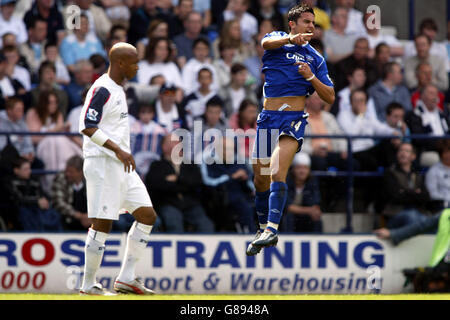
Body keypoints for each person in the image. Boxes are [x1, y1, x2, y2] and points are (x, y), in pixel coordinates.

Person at [247, 4, 334, 255]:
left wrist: (310, 78)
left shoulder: (315, 58)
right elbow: (265, 45)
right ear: (292, 24)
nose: (311, 27)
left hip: (293, 119)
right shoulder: (276, 39)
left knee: (276, 170)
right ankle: (263, 227)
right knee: (260, 177)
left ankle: (272, 229)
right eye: (306, 22)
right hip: (267, 117)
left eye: (313, 23)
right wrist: (290, 39)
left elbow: (329, 96)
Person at [78, 42, 157, 295]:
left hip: (120, 164)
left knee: (147, 215)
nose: (137, 67)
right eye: (134, 62)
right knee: (102, 223)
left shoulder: (119, 89)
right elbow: (87, 125)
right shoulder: (102, 89)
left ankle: (126, 278)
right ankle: (88, 284)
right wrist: (119, 150)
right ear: (121, 63)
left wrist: (121, 154)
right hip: (103, 162)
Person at [145, 133, 215, 233]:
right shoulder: (157, 166)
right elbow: (157, 185)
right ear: (165, 147)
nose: (179, 145)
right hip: (169, 203)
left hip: (191, 204)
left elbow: (196, 182)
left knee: (206, 225)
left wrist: (177, 180)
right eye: (174, 142)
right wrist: (184, 184)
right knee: (174, 223)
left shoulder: (189, 164)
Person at [374, 142, 432, 245]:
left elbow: (426, 197)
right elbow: (396, 196)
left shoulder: (417, 175)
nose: (403, 153)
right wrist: (415, 193)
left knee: (430, 221)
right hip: (394, 217)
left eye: (406, 151)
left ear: (413, 156)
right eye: (401, 150)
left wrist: (405, 192)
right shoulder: (390, 173)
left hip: (417, 214)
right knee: (411, 216)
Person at [283, 152, 322, 233]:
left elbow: (315, 204)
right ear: (293, 169)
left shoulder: (312, 181)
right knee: (288, 217)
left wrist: (314, 210)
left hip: (304, 215)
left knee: (316, 218)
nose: (302, 171)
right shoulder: (285, 181)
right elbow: (288, 207)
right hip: (288, 215)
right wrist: (309, 210)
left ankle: (315, 240)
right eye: (299, 168)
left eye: (305, 168)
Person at [51, 155, 90, 231]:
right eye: (66, 171)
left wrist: (91, 217)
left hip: (90, 219)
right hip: (68, 218)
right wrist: (79, 216)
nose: (67, 174)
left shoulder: (90, 179)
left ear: (81, 172)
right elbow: (59, 203)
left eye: (71, 172)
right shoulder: (60, 178)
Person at [425, 139, 450, 210]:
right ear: (441, 154)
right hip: (444, 206)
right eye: (446, 152)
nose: (449, 155)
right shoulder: (433, 171)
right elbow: (432, 194)